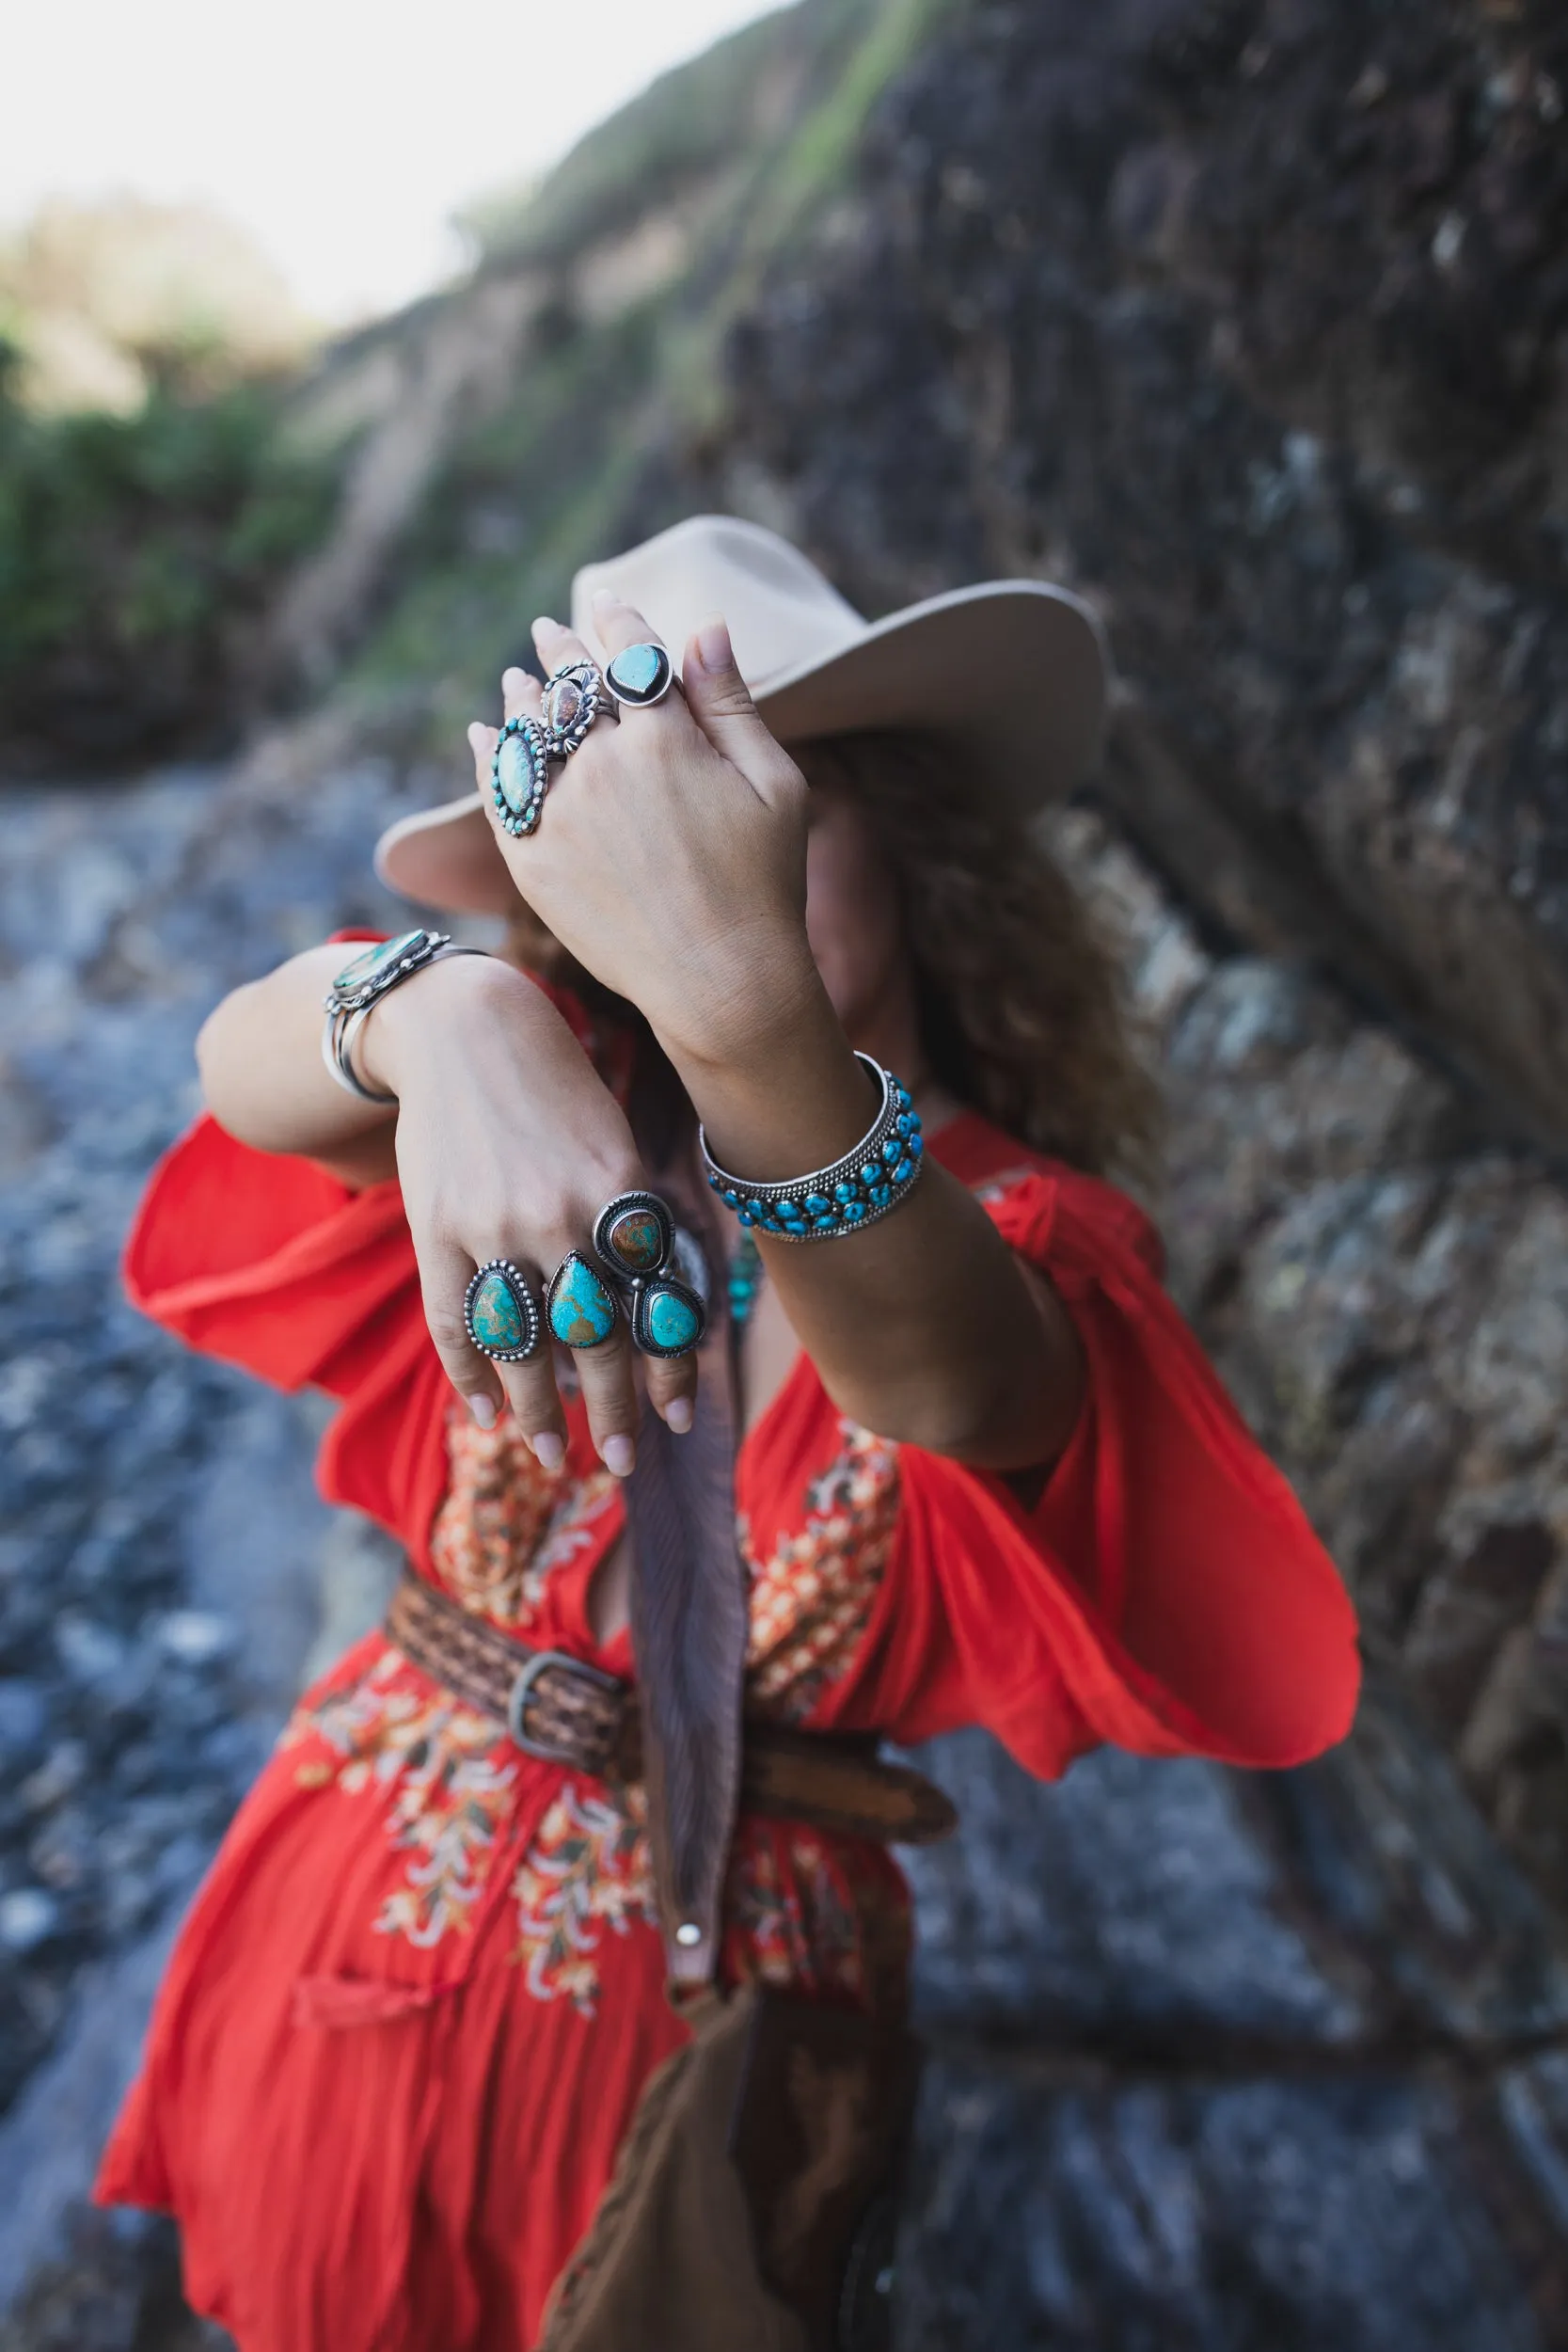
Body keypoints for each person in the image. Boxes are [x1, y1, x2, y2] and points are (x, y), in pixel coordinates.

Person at [94, 516, 1359, 2351]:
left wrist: (731, 1003)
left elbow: (939, 1384)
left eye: (739, 805)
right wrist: (436, 1011)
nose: (678, 873)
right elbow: (237, 1063)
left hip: (694, 2062)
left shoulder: (1022, 1234)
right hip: (340, 1906)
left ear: (901, 846)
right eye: (622, 835)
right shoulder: (545, 1117)